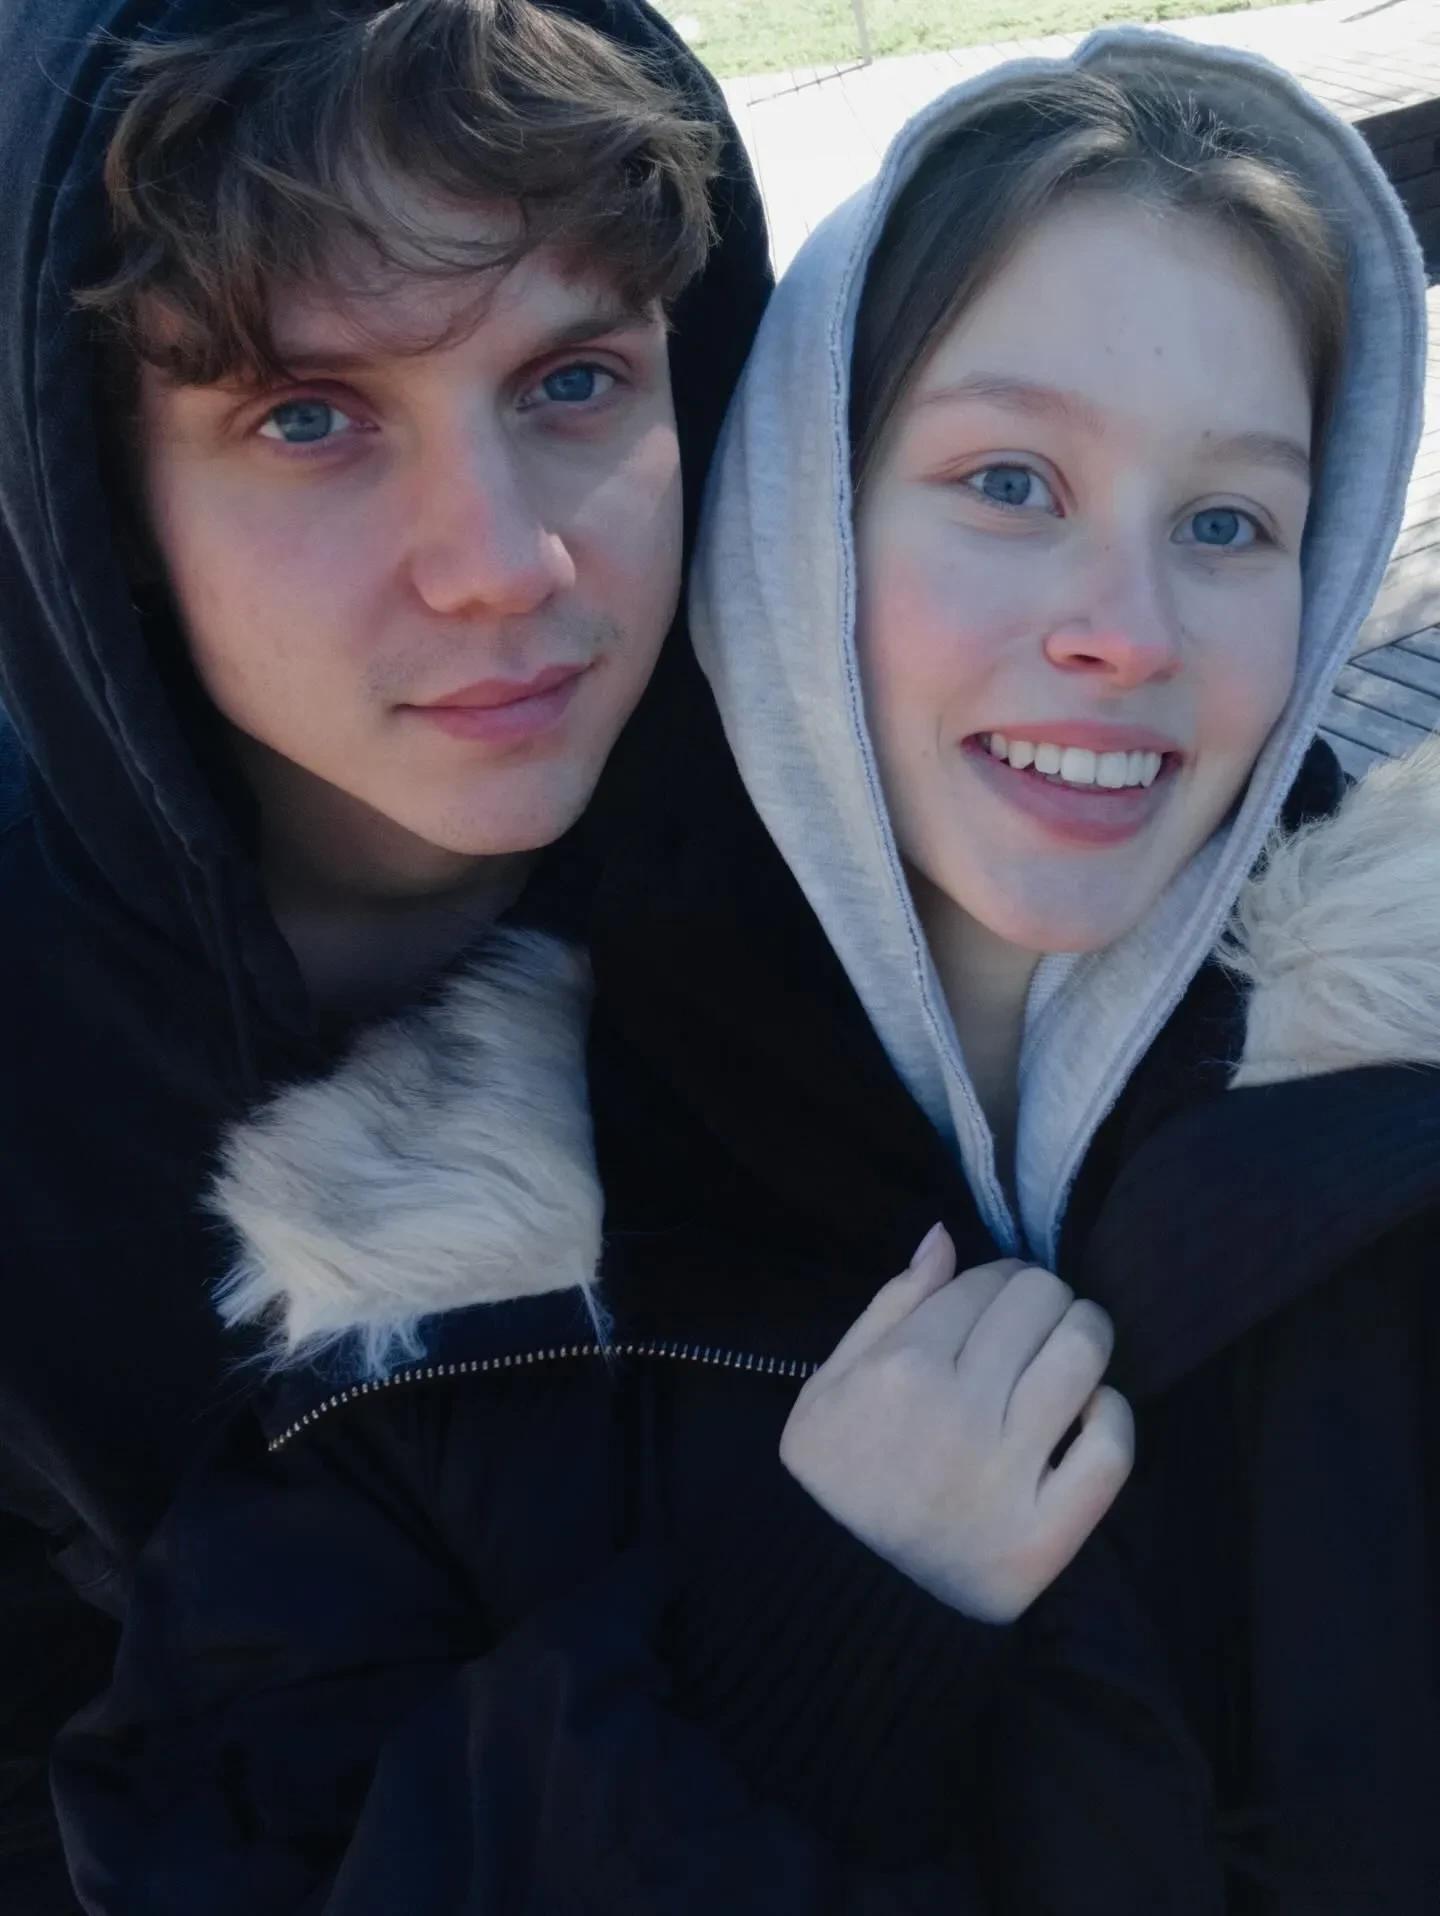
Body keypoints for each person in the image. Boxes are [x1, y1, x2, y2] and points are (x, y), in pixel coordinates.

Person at [53, 26, 1434, 1913]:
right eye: (1007, 481)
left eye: (1228, 522)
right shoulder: (422, 1310)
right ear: (798, 524)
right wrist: (791, 1663)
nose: (1127, 630)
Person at [0, 0, 768, 1906]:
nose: (501, 561)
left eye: (573, 379)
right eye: (309, 416)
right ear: (104, 500)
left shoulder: (874, 880)